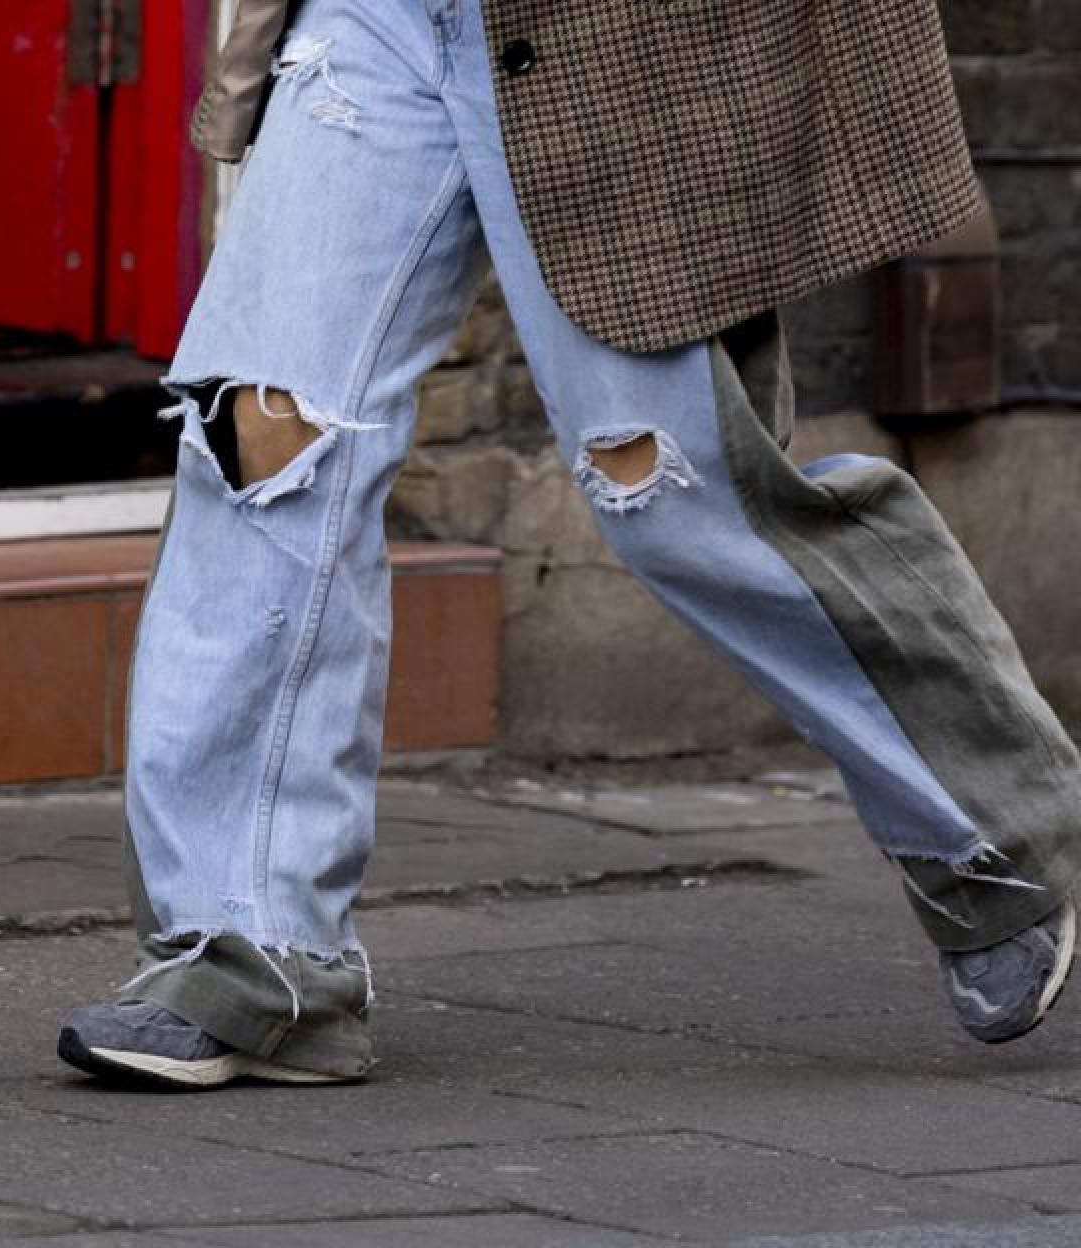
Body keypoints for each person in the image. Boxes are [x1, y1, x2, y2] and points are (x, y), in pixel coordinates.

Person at [58, 0, 1081, 1088]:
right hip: (378, 20)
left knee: (670, 486)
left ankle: (995, 830)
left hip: (615, 35)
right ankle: (251, 956)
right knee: (263, 437)